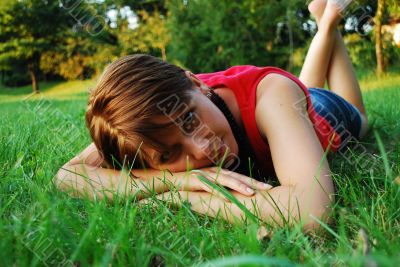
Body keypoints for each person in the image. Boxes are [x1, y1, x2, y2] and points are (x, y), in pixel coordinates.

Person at [55, 0, 369, 231]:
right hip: (286, 109)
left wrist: (188, 197)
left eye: (190, 120)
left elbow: (313, 210)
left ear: (196, 82)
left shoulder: (269, 95)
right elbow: (69, 176)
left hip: (319, 111)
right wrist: (174, 180)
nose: (202, 149)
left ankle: (328, 23)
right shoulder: (137, 124)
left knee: (355, 114)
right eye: (169, 153)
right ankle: (322, 18)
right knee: (302, 92)